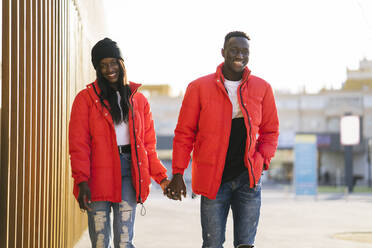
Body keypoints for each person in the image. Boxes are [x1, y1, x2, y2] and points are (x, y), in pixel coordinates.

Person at [165, 31, 279, 248]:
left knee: (246, 244)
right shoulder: (198, 88)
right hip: (213, 181)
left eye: (245, 51)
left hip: (248, 179)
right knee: (212, 244)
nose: (240, 55)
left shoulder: (262, 88)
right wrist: (178, 172)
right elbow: (184, 134)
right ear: (223, 52)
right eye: (234, 50)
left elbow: (270, 131)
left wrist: (263, 160)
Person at [69, 38, 169, 248]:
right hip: (96, 175)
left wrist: (162, 178)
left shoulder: (138, 100)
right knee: (100, 241)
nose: (109, 69)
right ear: (97, 68)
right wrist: (82, 181)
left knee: (124, 240)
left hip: (129, 172)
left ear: (121, 63)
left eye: (113, 62)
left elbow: (148, 146)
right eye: (102, 65)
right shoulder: (85, 99)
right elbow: (78, 145)